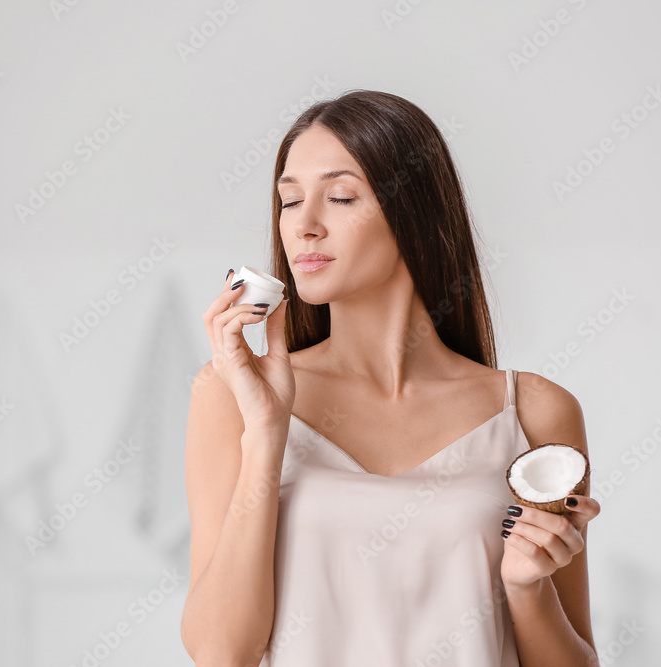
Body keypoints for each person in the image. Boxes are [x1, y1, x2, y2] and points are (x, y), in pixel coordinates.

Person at [180, 90, 602, 666]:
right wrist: (266, 431)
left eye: (339, 196)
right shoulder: (230, 395)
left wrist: (527, 588)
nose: (304, 226)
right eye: (288, 201)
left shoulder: (534, 411)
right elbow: (220, 652)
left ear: (416, 212)